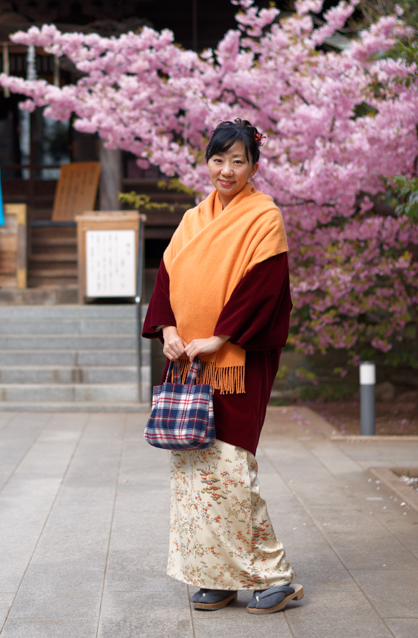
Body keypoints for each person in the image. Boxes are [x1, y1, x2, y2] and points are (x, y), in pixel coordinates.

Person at [142, 118, 302, 615]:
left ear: (254, 165)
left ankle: (275, 577)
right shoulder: (192, 219)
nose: (226, 170)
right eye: (218, 159)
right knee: (193, 471)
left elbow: (264, 288)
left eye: (238, 160)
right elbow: (166, 280)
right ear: (207, 162)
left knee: (231, 472)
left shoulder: (264, 217)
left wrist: (220, 337)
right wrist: (169, 330)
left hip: (237, 362)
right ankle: (215, 576)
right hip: (189, 364)